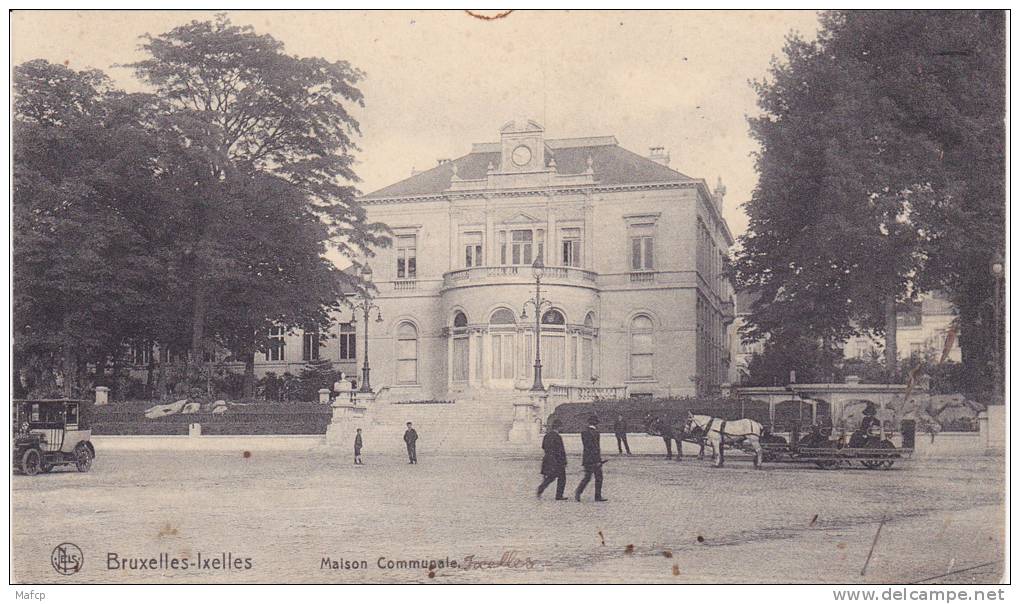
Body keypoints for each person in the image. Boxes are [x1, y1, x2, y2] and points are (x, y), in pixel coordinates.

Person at [574, 415, 607, 502]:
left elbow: (587, 447)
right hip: (594, 459)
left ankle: (578, 491)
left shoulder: (584, 432)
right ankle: (597, 496)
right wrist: (598, 460)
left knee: (587, 477)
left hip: (587, 459)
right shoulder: (596, 433)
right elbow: (596, 448)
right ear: (596, 423)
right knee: (599, 477)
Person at [537, 419, 568, 500]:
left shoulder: (546, 436)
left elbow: (543, 446)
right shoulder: (557, 437)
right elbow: (561, 450)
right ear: (559, 427)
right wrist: (564, 461)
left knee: (551, 477)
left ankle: (541, 488)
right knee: (562, 478)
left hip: (548, 459)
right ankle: (559, 495)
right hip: (557, 460)